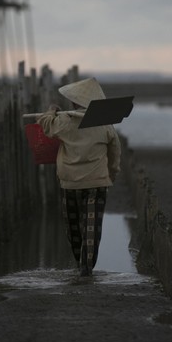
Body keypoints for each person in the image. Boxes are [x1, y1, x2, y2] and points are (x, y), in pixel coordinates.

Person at [37, 77, 122, 277]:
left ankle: (79, 263)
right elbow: (115, 151)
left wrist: (51, 110)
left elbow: (46, 126)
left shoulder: (65, 121)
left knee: (73, 226)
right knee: (92, 226)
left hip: (70, 182)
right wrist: (113, 172)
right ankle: (87, 267)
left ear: (76, 102)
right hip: (97, 182)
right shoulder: (105, 124)